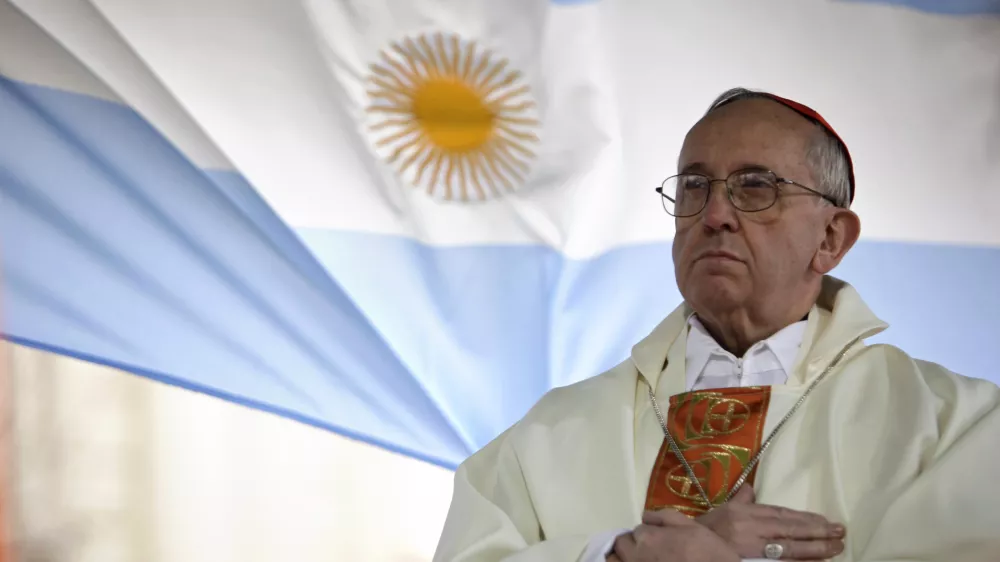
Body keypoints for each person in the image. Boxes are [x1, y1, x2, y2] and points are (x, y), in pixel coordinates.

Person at [432, 88, 1000, 562]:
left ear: (831, 238)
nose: (714, 216)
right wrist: (619, 554)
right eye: (694, 187)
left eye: (755, 187)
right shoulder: (553, 434)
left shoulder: (954, 426)